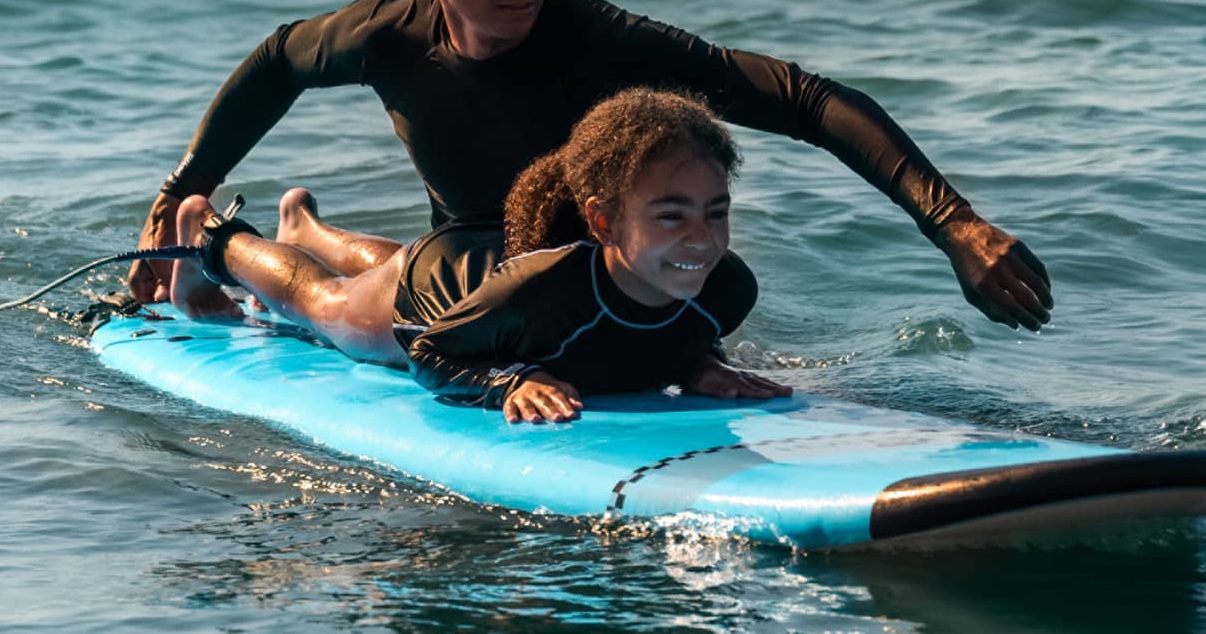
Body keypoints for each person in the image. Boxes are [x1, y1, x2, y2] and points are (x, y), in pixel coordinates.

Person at [130, 0, 1053, 339]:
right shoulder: (385, 37)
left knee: (655, 283)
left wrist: (955, 224)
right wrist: (188, 183)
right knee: (351, 321)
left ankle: (310, 226)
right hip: (467, 259)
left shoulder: (596, 36)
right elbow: (274, 63)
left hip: (544, 259)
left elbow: (803, 100)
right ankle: (222, 241)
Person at [169, 88, 791, 423]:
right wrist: (508, 377)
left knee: (385, 267)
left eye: (717, 212)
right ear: (603, 221)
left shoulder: (727, 287)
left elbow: (674, 326)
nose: (702, 241)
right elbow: (430, 352)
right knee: (322, 304)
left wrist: (700, 363)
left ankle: (303, 228)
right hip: (433, 299)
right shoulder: (545, 293)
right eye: (671, 216)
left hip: (482, 268)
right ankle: (212, 237)